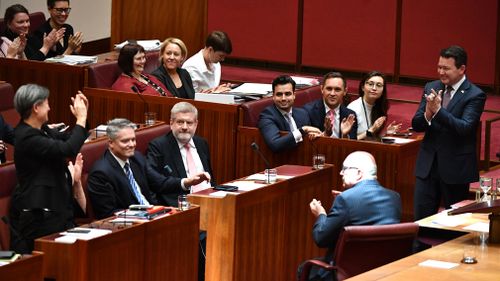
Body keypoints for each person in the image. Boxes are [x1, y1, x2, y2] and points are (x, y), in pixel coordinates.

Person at [9, 84, 88, 253]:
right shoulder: (26, 137)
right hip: (41, 217)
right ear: (36, 107)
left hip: (56, 210)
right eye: (46, 103)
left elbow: (70, 139)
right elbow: (68, 149)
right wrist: (80, 119)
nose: (50, 107)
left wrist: (83, 118)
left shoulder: (42, 130)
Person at [301, 151, 401, 281]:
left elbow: (321, 238)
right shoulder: (394, 197)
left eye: (345, 169)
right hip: (382, 271)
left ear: (359, 173)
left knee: (304, 268)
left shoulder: (346, 199)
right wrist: (345, 202)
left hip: (347, 272)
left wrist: (321, 214)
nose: (341, 173)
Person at [412, 45, 486, 220]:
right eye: (439, 67)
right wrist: (428, 114)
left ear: (461, 69)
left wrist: (438, 111)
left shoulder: (475, 95)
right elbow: (417, 124)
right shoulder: (431, 86)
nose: (441, 72)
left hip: (455, 170)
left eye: (446, 68)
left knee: (454, 225)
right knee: (421, 223)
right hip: (427, 167)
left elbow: (465, 128)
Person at [87, 118, 158, 219]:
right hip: (131, 223)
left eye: (133, 140)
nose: (132, 145)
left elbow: (154, 185)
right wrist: (142, 215)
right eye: (125, 141)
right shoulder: (100, 173)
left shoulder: (136, 158)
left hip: (153, 214)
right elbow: (107, 214)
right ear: (111, 143)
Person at [147, 102, 215, 207]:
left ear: (196, 124)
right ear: (171, 123)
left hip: (210, 199)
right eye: (180, 122)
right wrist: (185, 182)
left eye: (189, 123)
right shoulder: (159, 146)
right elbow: (153, 181)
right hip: (182, 205)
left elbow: (211, 179)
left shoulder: (202, 143)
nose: (184, 127)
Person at [258, 75, 321, 153]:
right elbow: (275, 144)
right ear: (273, 96)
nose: (283, 98)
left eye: (287, 94)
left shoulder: (302, 114)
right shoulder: (267, 115)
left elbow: (310, 138)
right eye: (279, 94)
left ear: (294, 95)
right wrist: (303, 130)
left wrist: (313, 135)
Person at [348, 71, 402, 140]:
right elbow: (349, 141)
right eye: (370, 84)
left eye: (379, 85)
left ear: (383, 91)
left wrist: (387, 133)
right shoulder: (353, 108)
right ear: (362, 87)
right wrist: (372, 130)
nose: (374, 88)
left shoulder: (380, 106)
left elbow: (373, 138)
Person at [304, 72, 357, 139]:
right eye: (329, 89)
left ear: (345, 91)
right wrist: (325, 134)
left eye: (337, 89)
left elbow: (353, 145)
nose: (332, 93)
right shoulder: (308, 112)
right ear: (322, 89)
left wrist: (345, 135)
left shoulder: (350, 115)